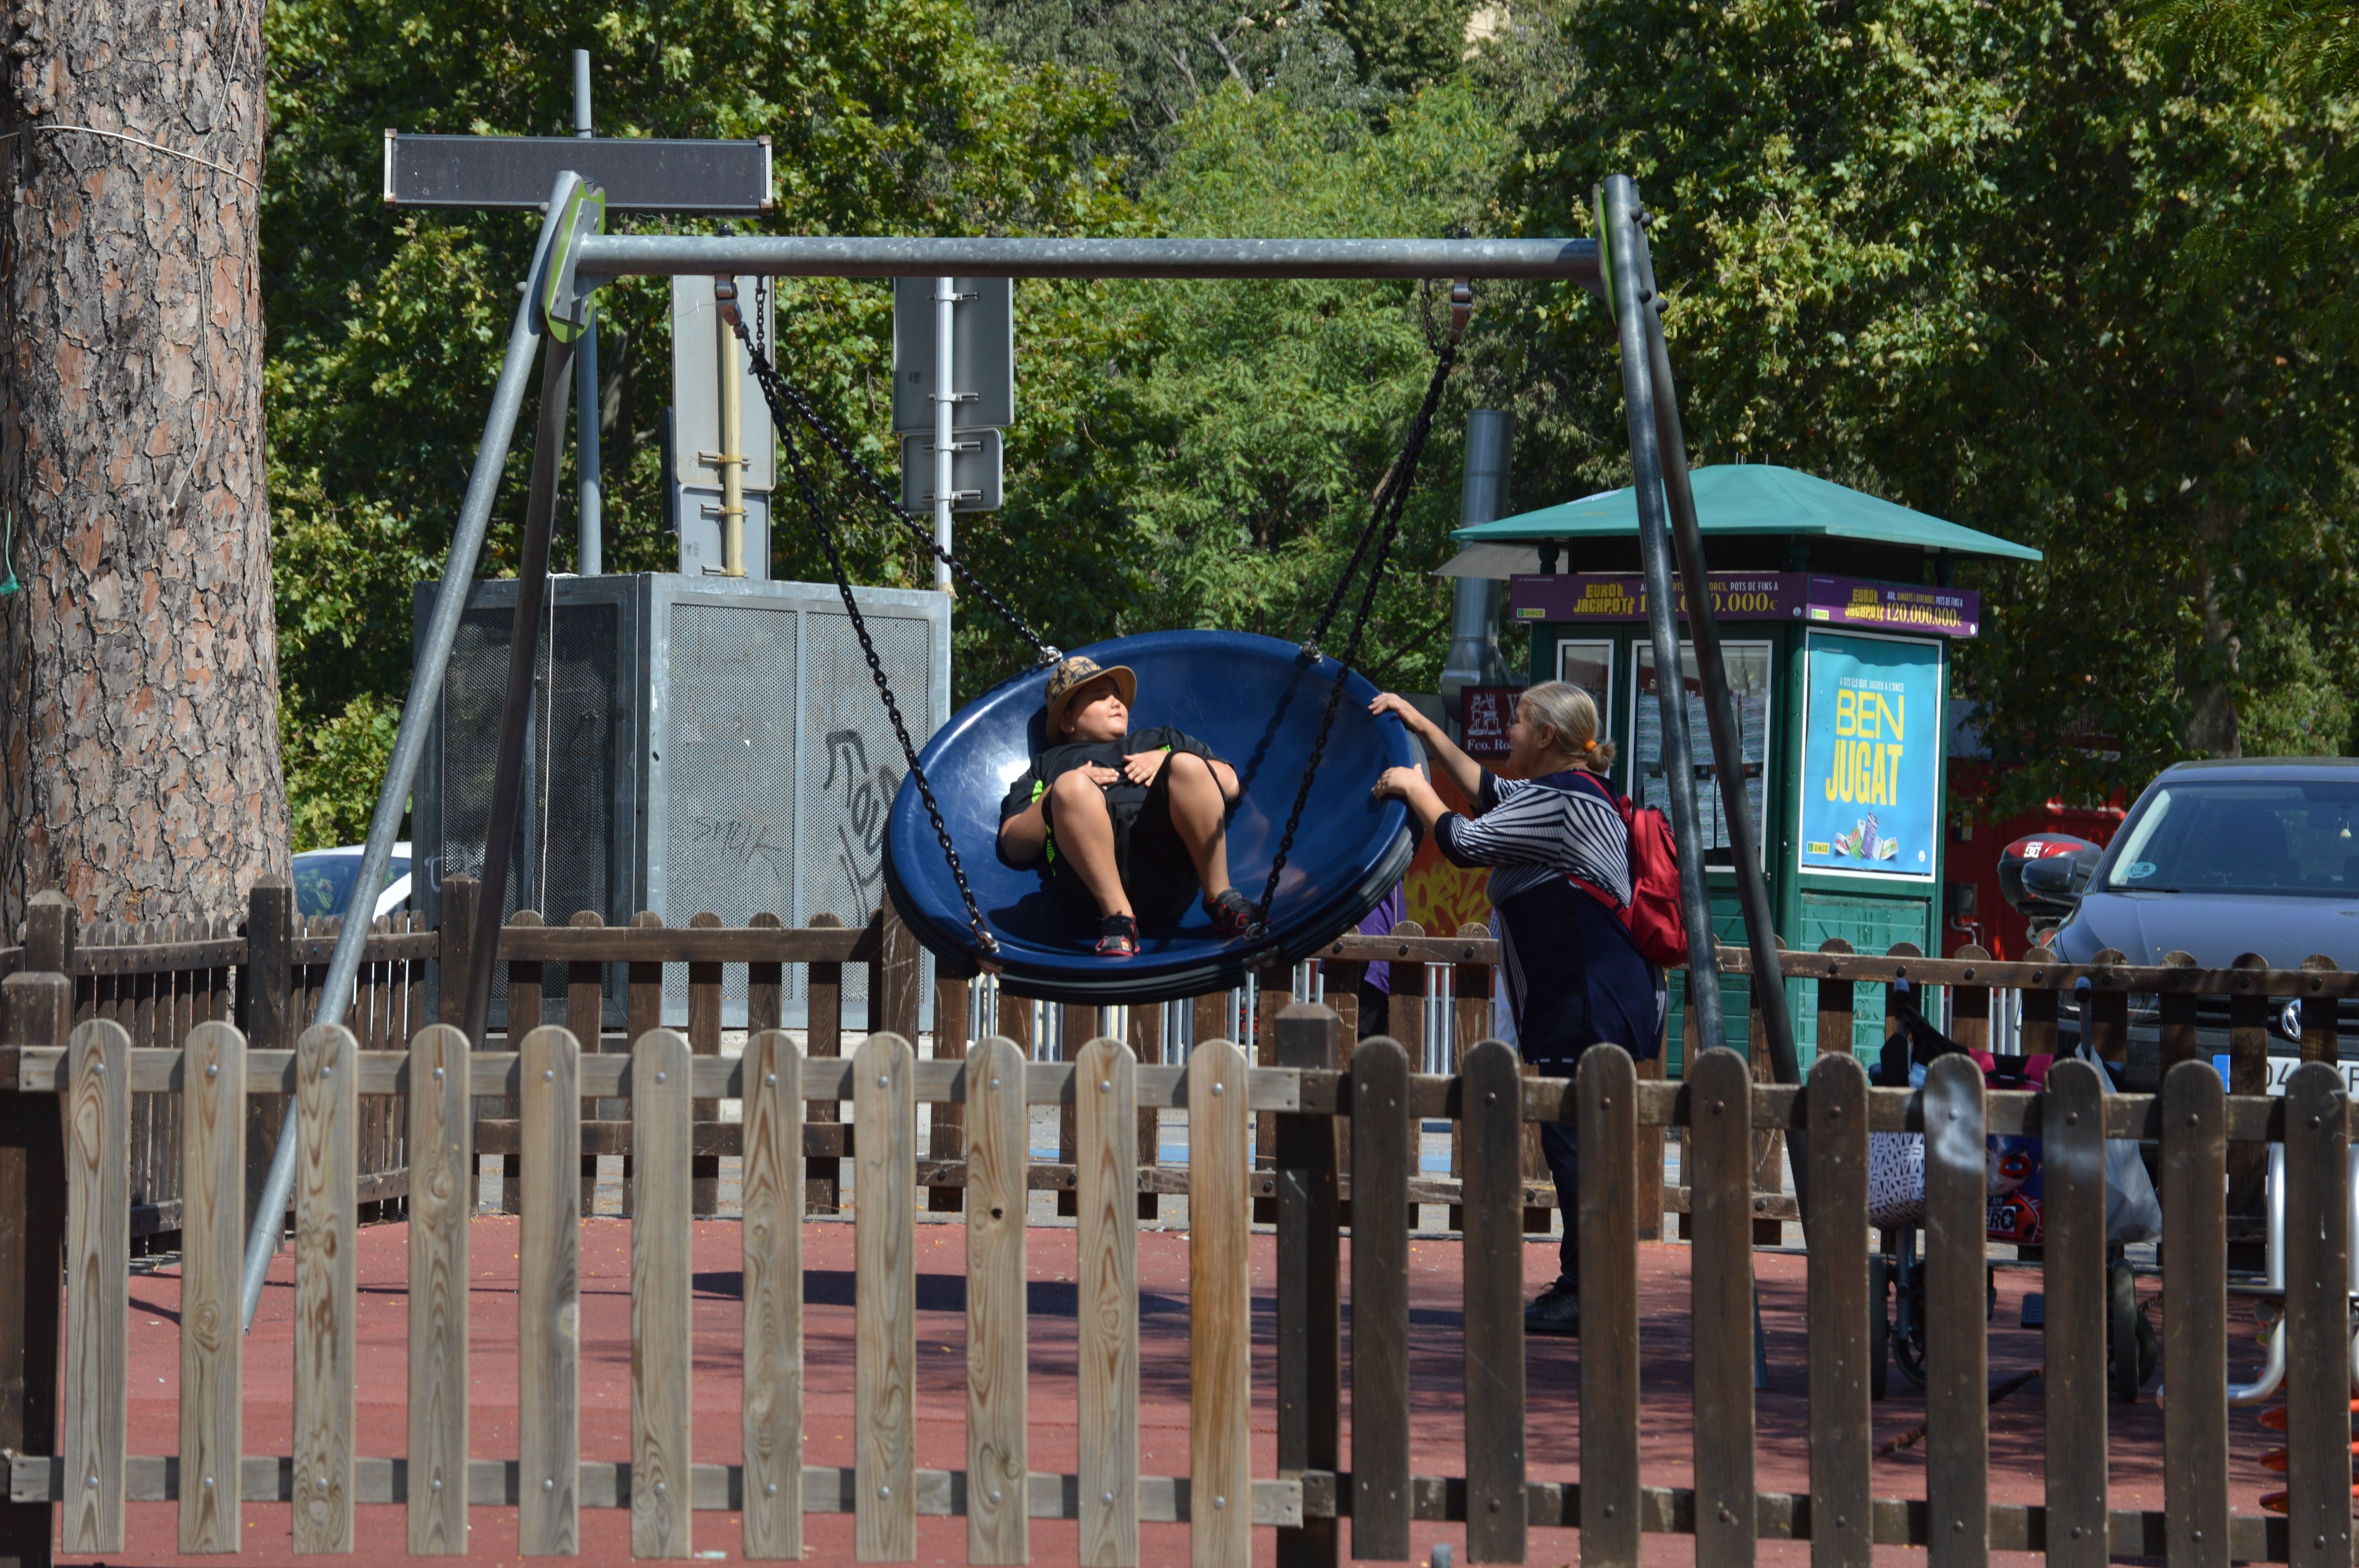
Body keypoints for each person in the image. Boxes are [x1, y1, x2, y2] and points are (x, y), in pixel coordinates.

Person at [1369, 681, 1663, 1336]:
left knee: (1572, 1141)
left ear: (1547, 738)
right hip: (1586, 990)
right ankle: (1590, 1281)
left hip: (1583, 991)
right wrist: (1424, 727)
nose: (1510, 734)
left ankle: (1588, 1291)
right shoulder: (1570, 793)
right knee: (1578, 1136)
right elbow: (1488, 790)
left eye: (1519, 722)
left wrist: (1416, 788)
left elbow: (1467, 843)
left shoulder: (1561, 805)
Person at [999, 654, 1257, 956]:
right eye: (1100, 697)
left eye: (1117, 696)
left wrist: (1166, 760)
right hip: (1091, 888)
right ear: (1067, 721)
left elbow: (1230, 783)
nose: (1115, 702)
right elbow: (1015, 845)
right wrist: (1057, 791)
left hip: (1170, 867)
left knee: (1188, 765)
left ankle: (1220, 896)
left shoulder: (1160, 739)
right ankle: (1118, 919)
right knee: (1072, 787)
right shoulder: (1048, 765)